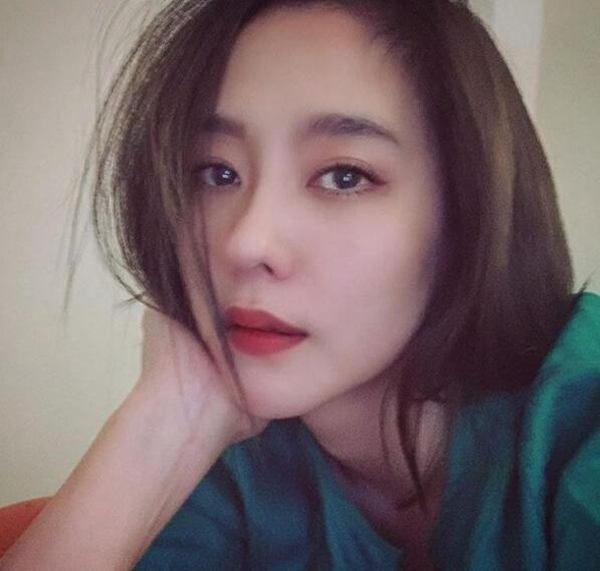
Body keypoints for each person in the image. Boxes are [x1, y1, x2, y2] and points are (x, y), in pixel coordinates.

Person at [1, 0, 599, 569]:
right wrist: (166, 420)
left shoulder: (580, 430)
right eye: (218, 172)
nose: (246, 242)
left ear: (468, 210)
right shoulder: (235, 463)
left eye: (344, 176)